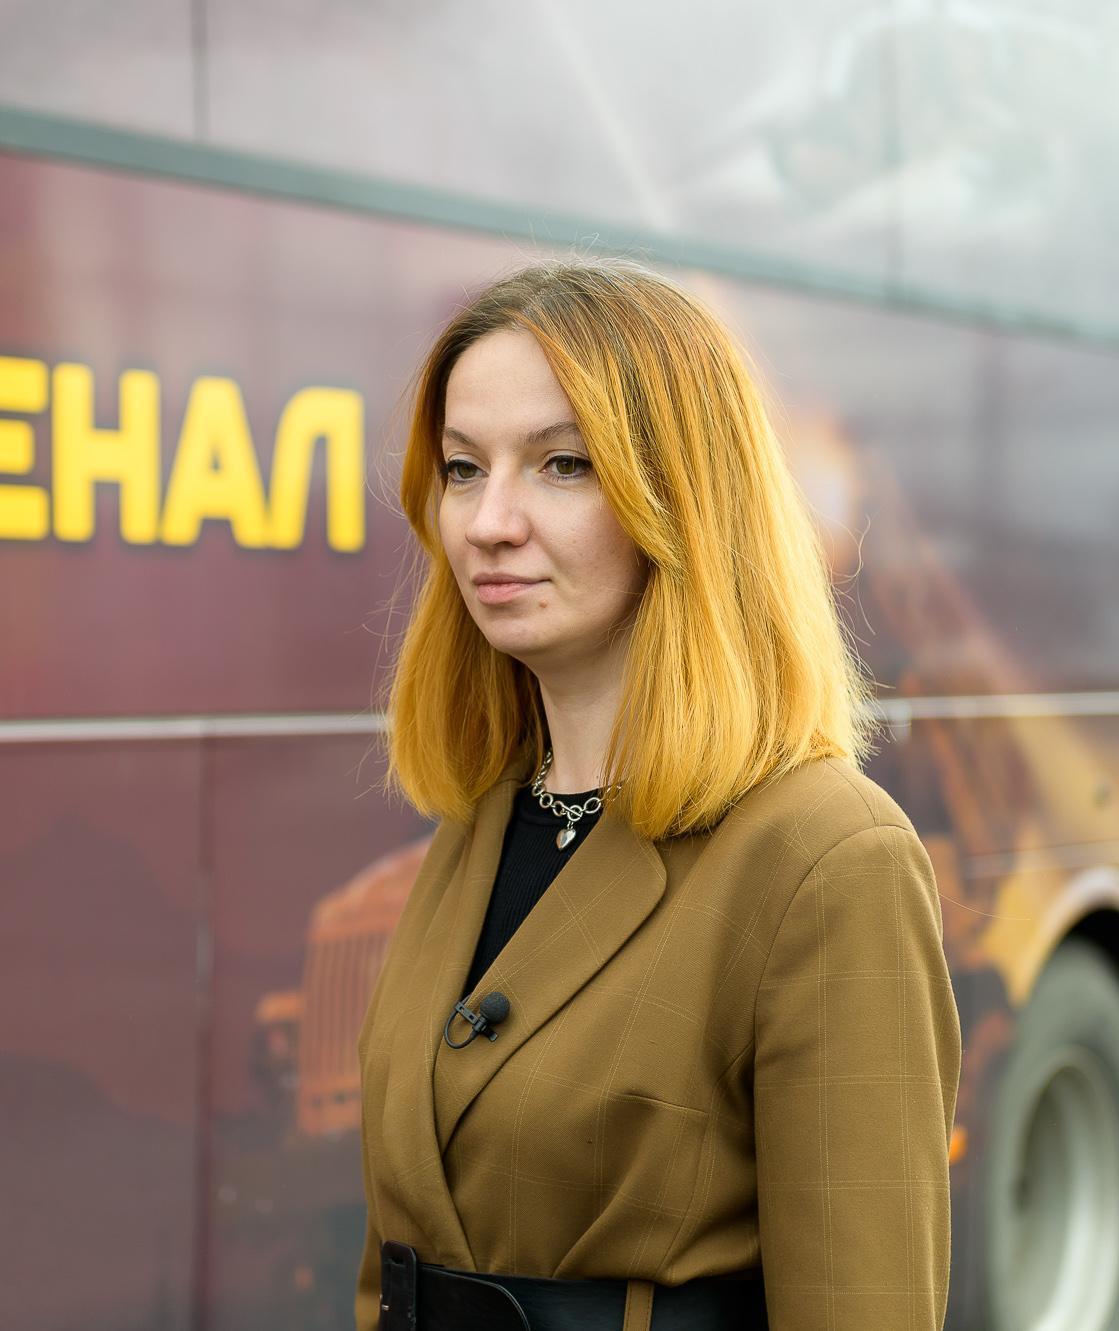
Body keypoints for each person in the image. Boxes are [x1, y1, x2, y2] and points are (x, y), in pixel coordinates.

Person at [356, 258, 960, 1331]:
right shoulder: (479, 822)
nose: (488, 520)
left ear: (685, 496)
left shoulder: (828, 857)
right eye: (462, 468)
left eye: (561, 464)